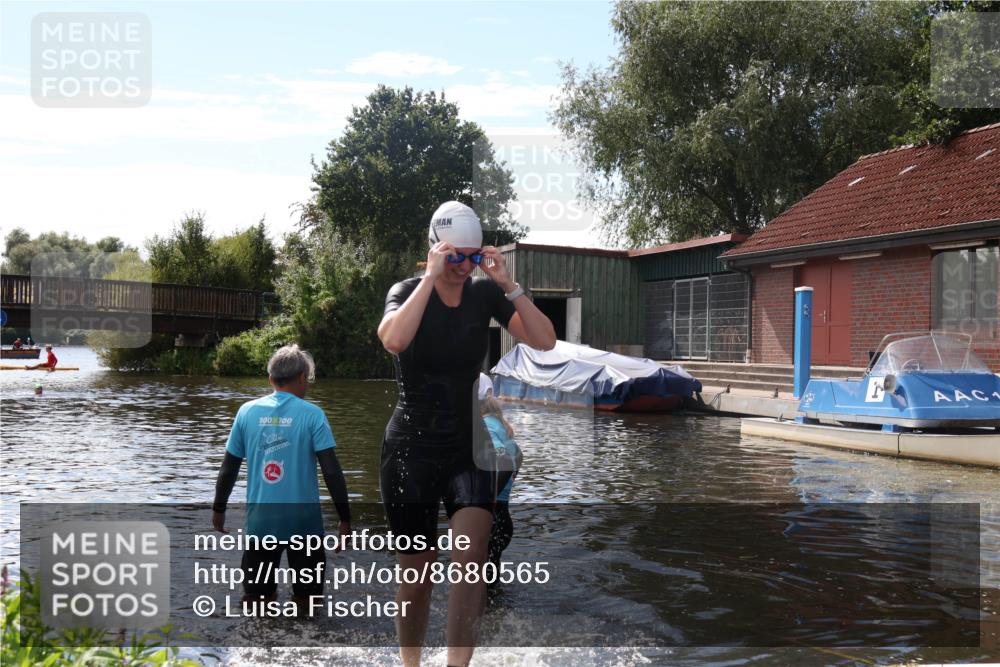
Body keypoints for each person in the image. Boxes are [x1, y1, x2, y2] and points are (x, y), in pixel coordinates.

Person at [377, 200, 556, 667]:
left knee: (470, 564)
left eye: (472, 258)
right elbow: (394, 340)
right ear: (435, 249)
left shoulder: (485, 295)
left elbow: (544, 340)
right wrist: (430, 280)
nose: (463, 267)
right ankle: (410, 664)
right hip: (410, 450)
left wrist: (509, 285)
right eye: (454, 256)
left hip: (467, 446)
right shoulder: (406, 290)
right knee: (416, 576)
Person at [212, 344, 351, 611]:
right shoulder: (313, 415)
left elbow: (228, 468)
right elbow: (331, 470)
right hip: (304, 524)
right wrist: (344, 518)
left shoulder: (247, 412)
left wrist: (219, 509)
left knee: (257, 603)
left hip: (262, 523)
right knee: (309, 604)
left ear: (271, 379)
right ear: (301, 377)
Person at [477, 374, 521, 585]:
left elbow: (505, 462)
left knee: (478, 585)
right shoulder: (500, 424)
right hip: (502, 519)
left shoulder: (485, 426)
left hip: (492, 518)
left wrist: (489, 499)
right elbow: (518, 456)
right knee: (491, 585)